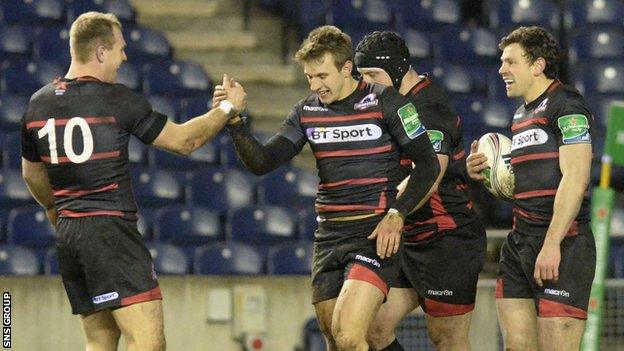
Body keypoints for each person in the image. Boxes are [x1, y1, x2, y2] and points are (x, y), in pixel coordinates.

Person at [20, 12, 246, 351]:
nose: (125, 56)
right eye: (120, 49)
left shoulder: (38, 104)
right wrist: (228, 108)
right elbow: (184, 141)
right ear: (100, 53)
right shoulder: (117, 99)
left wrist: (55, 207)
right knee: (147, 341)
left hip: (71, 235)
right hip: (111, 233)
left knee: (100, 340)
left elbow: (31, 173)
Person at [213, 25, 440, 351]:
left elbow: (429, 165)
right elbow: (262, 162)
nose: (316, 85)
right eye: (309, 78)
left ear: (347, 68)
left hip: (373, 235)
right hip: (329, 238)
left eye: (322, 76)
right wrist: (235, 122)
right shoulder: (307, 111)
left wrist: (397, 213)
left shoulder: (386, 103)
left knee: (349, 337)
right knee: (337, 341)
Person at [354, 31, 487, 351]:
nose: (367, 84)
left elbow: (428, 175)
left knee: (447, 339)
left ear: (398, 70)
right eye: (362, 77)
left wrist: (389, 209)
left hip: (447, 241)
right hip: (407, 238)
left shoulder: (429, 107)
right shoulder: (392, 104)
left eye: (372, 75)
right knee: (372, 329)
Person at [466, 26, 596, 350]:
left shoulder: (567, 105)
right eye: (501, 62)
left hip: (564, 244)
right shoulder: (521, 115)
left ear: (537, 65)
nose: (501, 70)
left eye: (510, 62)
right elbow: (525, 184)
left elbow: (576, 179)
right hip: (519, 243)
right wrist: (487, 174)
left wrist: (552, 243)